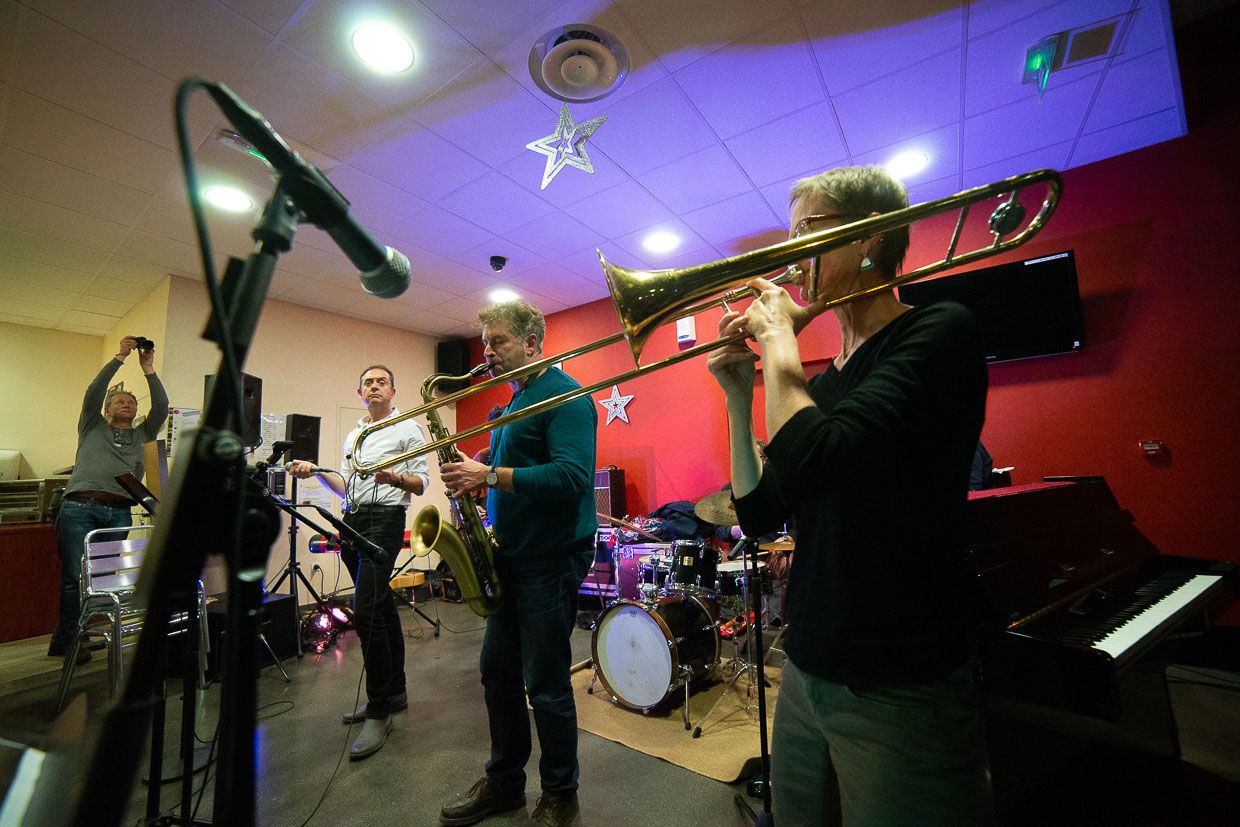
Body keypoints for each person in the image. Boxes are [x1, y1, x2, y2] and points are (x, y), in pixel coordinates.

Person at [708, 165, 992, 825]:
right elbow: (760, 512)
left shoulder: (938, 332)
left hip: (899, 678)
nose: (791, 252)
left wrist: (778, 339)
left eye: (808, 230)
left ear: (870, 238)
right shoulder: (824, 385)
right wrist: (737, 398)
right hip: (809, 663)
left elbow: (822, 457)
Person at [438, 300, 597, 827]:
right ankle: (505, 784)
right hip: (510, 554)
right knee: (496, 672)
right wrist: (483, 467)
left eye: (498, 342)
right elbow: (521, 464)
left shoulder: (567, 396)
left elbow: (572, 477)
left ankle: (561, 794)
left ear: (532, 343)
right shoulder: (514, 400)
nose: (487, 352)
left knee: (546, 683)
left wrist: (487, 477)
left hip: (550, 558)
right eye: (485, 343)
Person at [288, 365, 429, 760]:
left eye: (382, 381)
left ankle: (379, 709)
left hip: (385, 520)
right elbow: (346, 485)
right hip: (353, 519)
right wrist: (316, 471)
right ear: (360, 392)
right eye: (368, 382)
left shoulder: (407, 428)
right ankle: (395, 692)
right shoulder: (355, 434)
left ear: (393, 390)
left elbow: (421, 483)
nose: (374, 386)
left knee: (365, 610)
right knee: (381, 607)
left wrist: (396, 479)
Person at [51, 336, 169, 663]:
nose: (126, 404)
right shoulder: (92, 425)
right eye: (119, 401)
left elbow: (161, 407)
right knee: (76, 578)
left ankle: (69, 637)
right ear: (106, 409)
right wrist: (120, 357)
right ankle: (70, 640)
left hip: (118, 514)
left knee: (102, 581)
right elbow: (93, 392)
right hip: (79, 509)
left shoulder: (143, 434)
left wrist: (148, 369)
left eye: (131, 402)